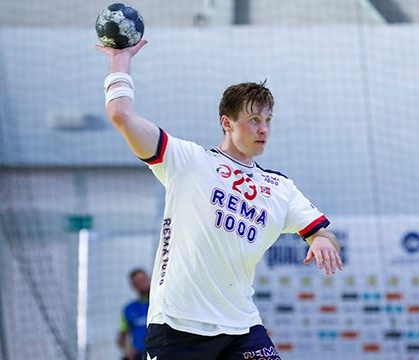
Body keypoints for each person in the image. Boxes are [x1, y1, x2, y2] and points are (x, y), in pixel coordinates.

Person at [96, 39, 343, 360]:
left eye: (268, 120)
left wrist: (323, 240)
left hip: (241, 327)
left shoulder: (280, 188)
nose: (263, 129)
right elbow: (121, 116)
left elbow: (324, 234)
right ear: (227, 122)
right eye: (254, 120)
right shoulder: (187, 160)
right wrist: (120, 60)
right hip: (177, 325)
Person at [118, 268, 151, 360]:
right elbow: (122, 338)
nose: (143, 284)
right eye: (138, 282)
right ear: (133, 286)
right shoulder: (129, 309)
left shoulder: (160, 304)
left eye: (144, 280)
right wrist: (128, 350)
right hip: (140, 355)